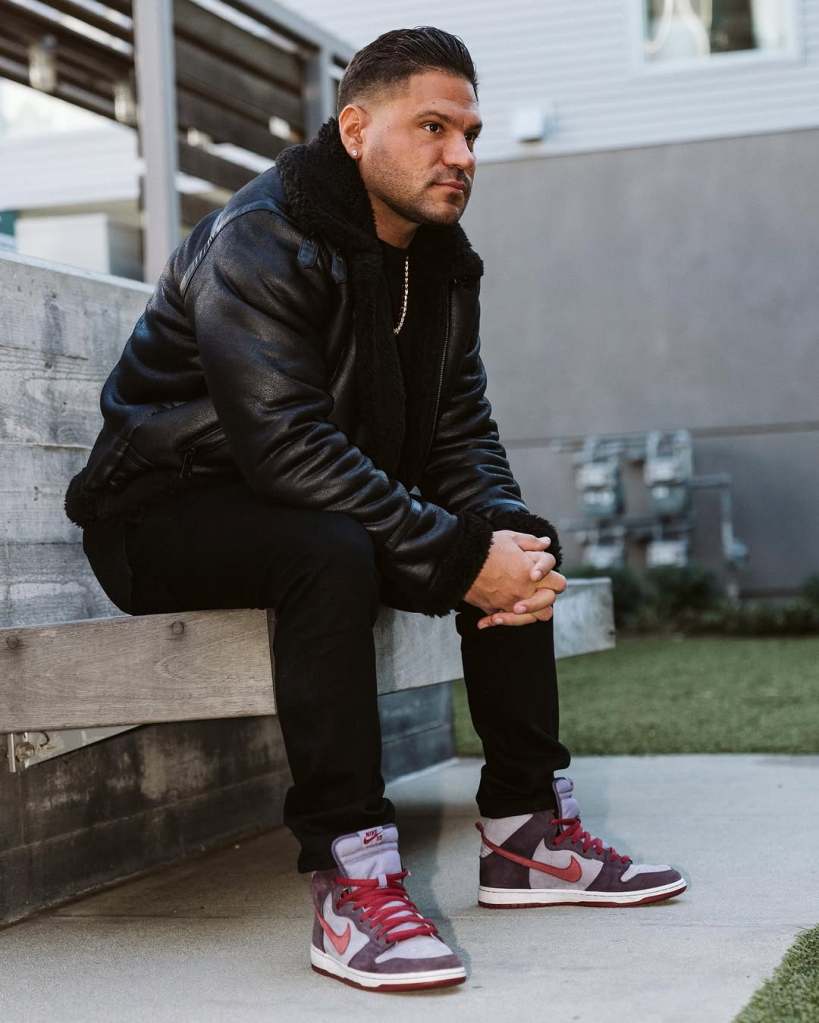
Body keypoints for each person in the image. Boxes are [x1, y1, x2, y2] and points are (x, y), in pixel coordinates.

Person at [65, 26, 687, 994]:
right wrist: (453, 560)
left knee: (513, 537)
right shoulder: (264, 235)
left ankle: (526, 833)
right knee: (331, 549)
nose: (463, 156)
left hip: (311, 500)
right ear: (356, 129)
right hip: (164, 516)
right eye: (433, 127)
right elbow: (283, 442)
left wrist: (496, 541)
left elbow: (460, 433)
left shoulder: (438, 261)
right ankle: (352, 875)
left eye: (471, 132)